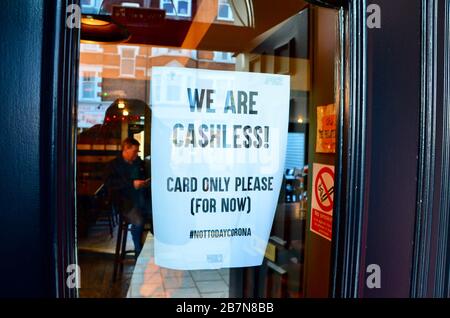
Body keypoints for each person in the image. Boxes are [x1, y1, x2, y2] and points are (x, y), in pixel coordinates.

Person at [104, 137, 150, 258]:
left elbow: (143, 178)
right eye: (135, 151)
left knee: (159, 216)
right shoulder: (113, 165)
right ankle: (139, 253)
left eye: (137, 151)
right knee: (139, 221)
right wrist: (132, 184)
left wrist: (145, 183)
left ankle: (155, 252)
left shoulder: (139, 164)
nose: (136, 154)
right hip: (125, 204)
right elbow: (110, 184)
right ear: (126, 149)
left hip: (143, 200)